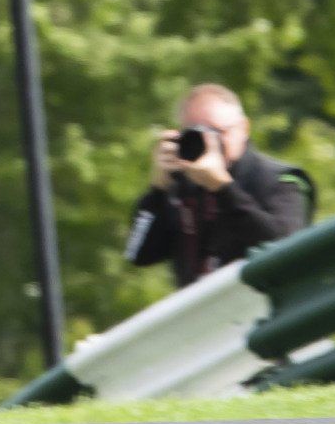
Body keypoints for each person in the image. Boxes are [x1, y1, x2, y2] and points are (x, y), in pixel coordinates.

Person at [124, 83, 315, 286]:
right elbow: (138, 255)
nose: (210, 142)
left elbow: (285, 250)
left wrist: (223, 189)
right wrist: (158, 190)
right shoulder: (182, 187)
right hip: (204, 313)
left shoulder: (281, 180)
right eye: (198, 133)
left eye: (217, 132)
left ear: (244, 128)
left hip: (266, 309)